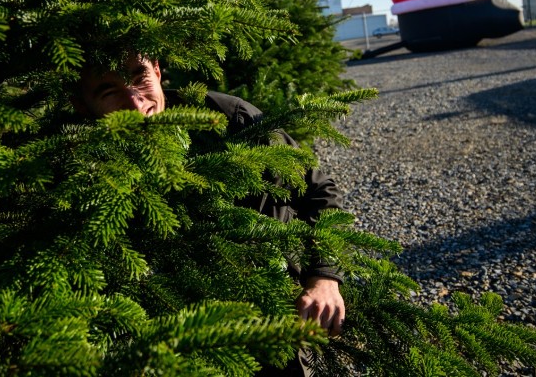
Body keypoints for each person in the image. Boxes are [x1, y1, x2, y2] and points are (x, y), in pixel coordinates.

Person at [71, 53, 345, 374]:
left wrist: (324, 277)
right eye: (109, 92)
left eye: (139, 77)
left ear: (158, 72)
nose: (135, 102)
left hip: (274, 319)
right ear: (82, 106)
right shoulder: (78, 170)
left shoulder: (228, 118)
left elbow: (318, 191)